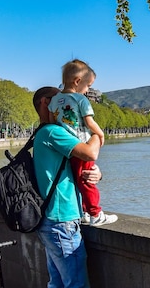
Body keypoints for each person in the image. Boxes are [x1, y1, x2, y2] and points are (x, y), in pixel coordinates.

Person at [32, 86, 109, 288]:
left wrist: (95, 173)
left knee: (58, 285)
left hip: (50, 220)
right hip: (62, 221)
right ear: (45, 103)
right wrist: (96, 131)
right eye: (58, 99)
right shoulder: (53, 132)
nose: (67, 105)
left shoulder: (42, 134)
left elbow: (82, 166)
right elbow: (91, 151)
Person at [48, 59, 117, 226]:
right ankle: (95, 214)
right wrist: (100, 134)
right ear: (78, 82)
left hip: (68, 148)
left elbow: (52, 122)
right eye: (88, 85)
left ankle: (85, 212)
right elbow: (89, 122)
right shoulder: (80, 99)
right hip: (82, 145)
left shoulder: (54, 100)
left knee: (78, 180)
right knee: (88, 180)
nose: (87, 90)